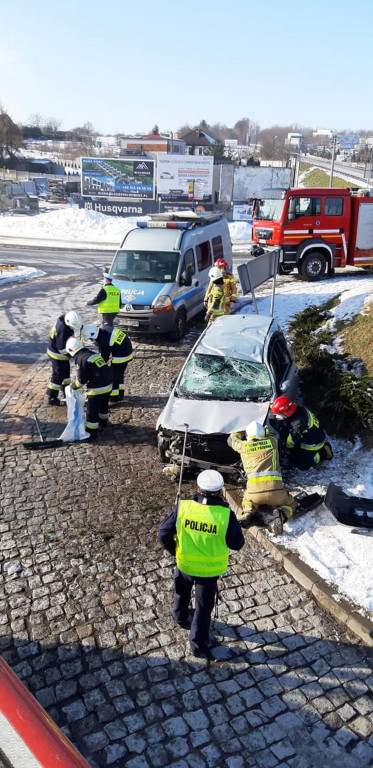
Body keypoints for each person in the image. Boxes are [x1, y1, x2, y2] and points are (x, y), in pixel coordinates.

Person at [158, 469, 244, 658]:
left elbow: (163, 533)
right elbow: (237, 544)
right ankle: (198, 645)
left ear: (198, 488)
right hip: (209, 572)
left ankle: (179, 617)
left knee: (181, 591)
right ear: (220, 491)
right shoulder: (225, 515)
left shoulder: (184, 508)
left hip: (185, 565)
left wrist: (175, 551)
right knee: (203, 609)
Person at [229, 421, 297, 527]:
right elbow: (270, 432)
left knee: (247, 501)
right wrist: (264, 427)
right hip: (276, 491)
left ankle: (248, 513)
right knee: (291, 504)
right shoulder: (272, 441)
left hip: (254, 494)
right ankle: (282, 515)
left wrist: (242, 430)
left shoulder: (243, 446)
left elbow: (231, 439)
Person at [64, 338, 112, 437]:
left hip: (97, 388)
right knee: (103, 405)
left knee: (92, 411)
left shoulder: (81, 360)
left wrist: (73, 386)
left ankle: (91, 432)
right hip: (109, 384)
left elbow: (82, 380)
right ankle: (104, 423)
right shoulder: (92, 354)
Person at [269, 396, 333, 470]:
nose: (277, 416)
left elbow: (290, 442)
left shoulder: (298, 422)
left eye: (279, 414)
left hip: (314, 442)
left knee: (302, 465)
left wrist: (281, 432)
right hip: (304, 436)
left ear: (287, 411)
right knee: (293, 453)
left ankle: (324, 452)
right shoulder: (294, 408)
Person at [81, 324, 133, 401]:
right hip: (127, 351)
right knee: (119, 374)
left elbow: (105, 357)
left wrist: (97, 366)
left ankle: (113, 397)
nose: (92, 341)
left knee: (113, 375)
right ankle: (120, 393)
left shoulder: (104, 340)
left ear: (93, 335)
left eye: (91, 339)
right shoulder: (104, 331)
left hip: (121, 355)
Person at [46, 310, 82, 406]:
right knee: (58, 374)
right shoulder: (63, 330)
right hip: (57, 354)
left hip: (58, 352)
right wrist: (73, 355)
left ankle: (66, 391)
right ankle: (52, 396)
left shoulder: (65, 320)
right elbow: (62, 348)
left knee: (66, 372)